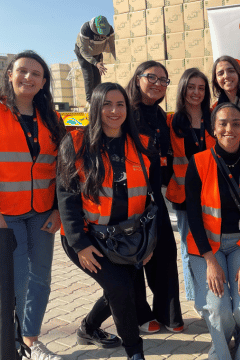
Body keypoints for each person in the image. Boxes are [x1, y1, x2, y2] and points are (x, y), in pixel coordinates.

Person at [0, 50, 66, 360]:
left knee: (41, 280)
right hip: (1, 215)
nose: (28, 78)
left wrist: (58, 209)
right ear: (9, 74)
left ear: (44, 81)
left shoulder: (51, 117)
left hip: (41, 213)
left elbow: (62, 166)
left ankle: (31, 342)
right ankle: (12, 345)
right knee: (16, 281)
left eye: (36, 74)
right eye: (22, 71)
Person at [58, 82, 157, 360]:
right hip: (89, 239)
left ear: (128, 108)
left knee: (118, 288)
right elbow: (66, 196)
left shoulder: (142, 144)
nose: (114, 110)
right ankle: (135, 352)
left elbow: (152, 201)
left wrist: (148, 243)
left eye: (120, 104)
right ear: (96, 108)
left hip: (130, 239)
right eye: (107, 104)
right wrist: (79, 244)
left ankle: (88, 328)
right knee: (120, 288)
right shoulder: (75, 143)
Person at [185, 102, 240, 360]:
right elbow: (193, 218)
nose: (229, 129)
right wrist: (210, 261)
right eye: (222, 123)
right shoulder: (198, 163)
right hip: (207, 247)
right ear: (213, 129)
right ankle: (220, 349)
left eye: (236, 123)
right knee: (219, 308)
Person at [125, 61, 184, 334]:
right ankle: (140, 314)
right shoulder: (124, 111)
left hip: (154, 196)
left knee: (164, 252)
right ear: (138, 78)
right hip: (126, 198)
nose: (158, 84)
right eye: (152, 77)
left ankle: (168, 313)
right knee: (135, 256)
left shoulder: (160, 115)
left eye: (164, 80)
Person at [166, 68, 216, 305]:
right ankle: (196, 296)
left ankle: (215, 290)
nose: (196, 92)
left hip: (213, 194)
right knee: (189, 247)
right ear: (183, 89)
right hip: (184, 195)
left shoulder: (214, 118)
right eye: (191, 87)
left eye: (201, 88)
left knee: (213, 243)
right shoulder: (172, 121)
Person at [75, 15, 116, 106]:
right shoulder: (86, 29)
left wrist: (119, 61)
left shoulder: (109, 29)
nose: (102, 35)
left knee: (97, 76)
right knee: (89, 74)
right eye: (101, 33)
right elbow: (84, 50)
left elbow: (113, 48)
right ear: (95, 26)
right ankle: (90, 102)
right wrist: (95, 62)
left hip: (97, 52)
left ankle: (97, 99)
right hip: (83, 53)